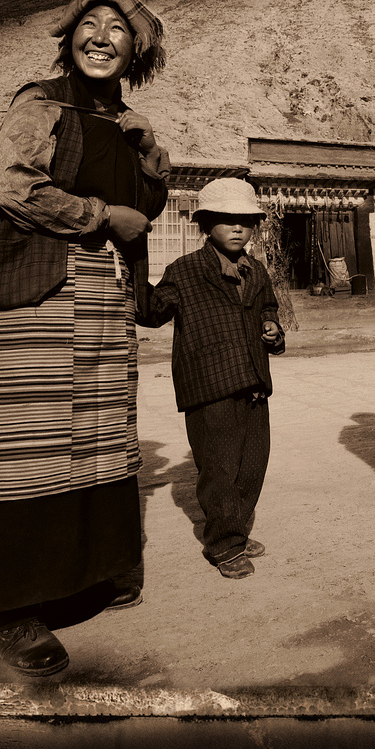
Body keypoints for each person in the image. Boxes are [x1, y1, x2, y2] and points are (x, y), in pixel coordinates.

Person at [0, 0, 172, 676]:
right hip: (32, 294)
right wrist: (102, 216)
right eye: (90, 24)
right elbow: (14, 191)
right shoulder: (40, 104)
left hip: (99, 300)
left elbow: (145, 203)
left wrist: (148, 157)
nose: (102, 36)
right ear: (70, 39)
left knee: (92, 433)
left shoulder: (127, 121)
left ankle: (90, 569)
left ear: (134, 51)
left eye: (118, 29)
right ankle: (7, 603)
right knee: (24, 443)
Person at [146, 177, 286, 580]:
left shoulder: (255, 270)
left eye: (244, 221)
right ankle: (224, 544)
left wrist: (271, 327)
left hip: (253, 382)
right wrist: (131, 265)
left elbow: (268, 308)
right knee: (220, 468)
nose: (237, 228)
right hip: (209, 385)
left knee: (252, 465)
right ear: (206, 224)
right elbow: (154, 311)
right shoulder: (186, 270)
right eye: (226, 221)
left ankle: (236, 531)